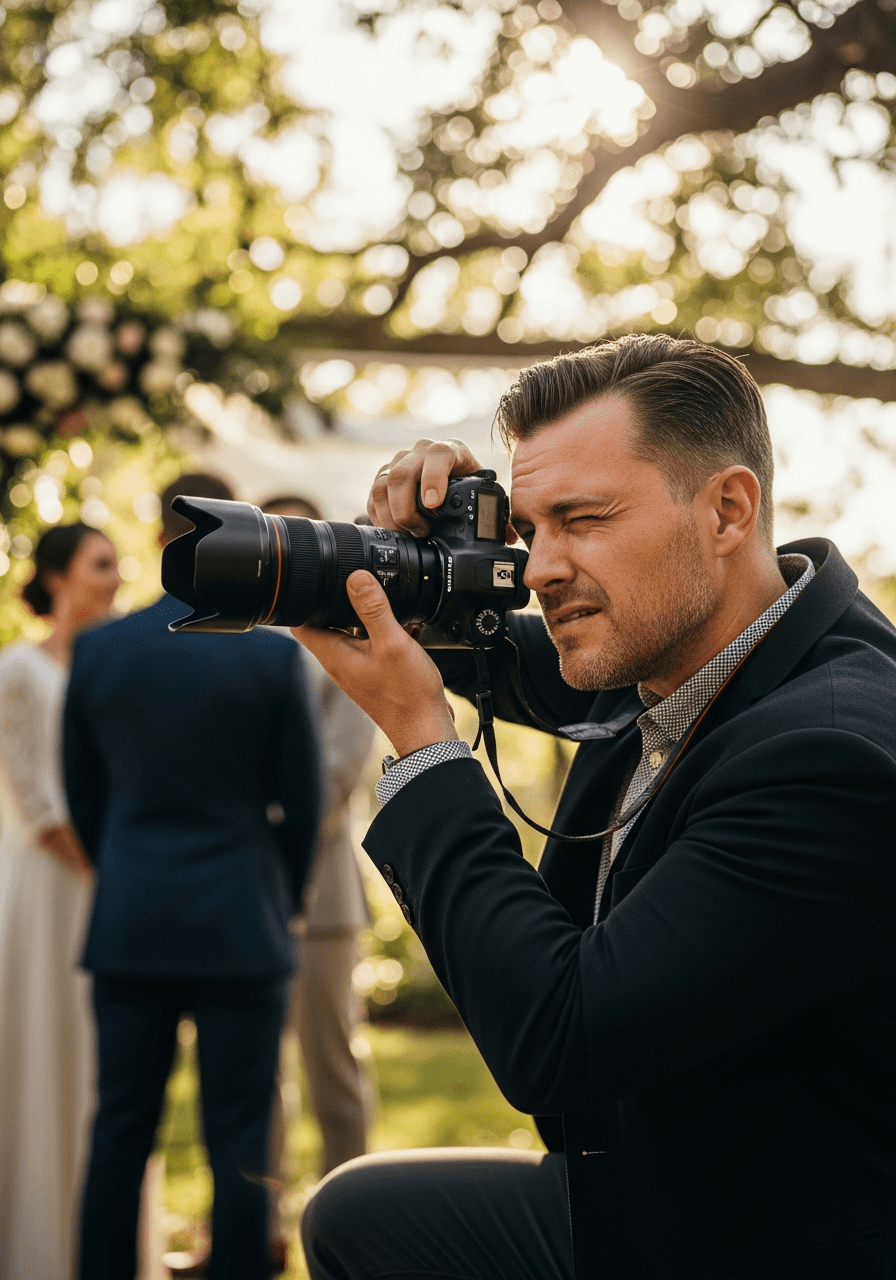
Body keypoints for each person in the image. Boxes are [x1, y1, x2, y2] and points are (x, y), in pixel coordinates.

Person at [296, 335, 896, 1280]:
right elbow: (512, 655)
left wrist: (423, 740)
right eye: (530, 529)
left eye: (581, 519)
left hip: (776, 1241)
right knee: (356, 1216)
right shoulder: (698, 652)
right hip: (664, 1191)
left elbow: (561, 1037)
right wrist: (420, 560)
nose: (537, 568)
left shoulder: (831, 755)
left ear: (727, 510)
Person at [65, 473, 321, 1280]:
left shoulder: (101, 650)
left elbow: (83, 796)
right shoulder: (270, 659)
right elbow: (304, 805)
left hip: (132, 918)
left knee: (119, 1130)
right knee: (242, 1137)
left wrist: (129, 869)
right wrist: (279, 891)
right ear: (232, 536)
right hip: (242, 922)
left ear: (158, 535)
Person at [0, 523, 119, 1280]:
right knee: (41, 1047)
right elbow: (35, 802)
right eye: (100, 565)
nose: (115, 578)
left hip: (111, 884)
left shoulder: (117, 663)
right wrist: (103, 872)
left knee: (107, 1067)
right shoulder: (17, 668)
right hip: (51, 891)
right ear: (56, 578)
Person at [260, 496, 375, 1208]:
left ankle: (352, 1213)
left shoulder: (347, 638)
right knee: (253, 1074)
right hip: (246, 895)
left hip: (322, 894)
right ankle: (258, 1220)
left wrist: (253, 836)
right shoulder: (229, 636)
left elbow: (334, 780)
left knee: (332, 1069)